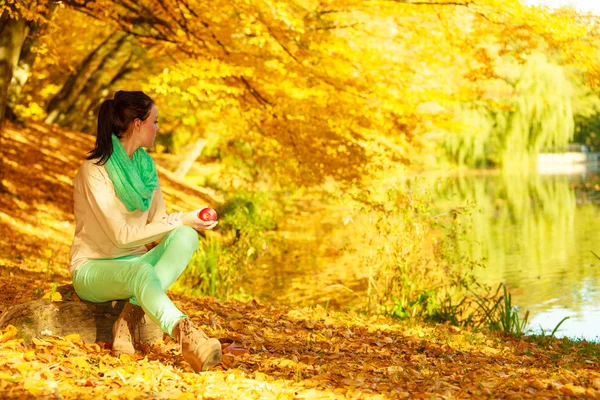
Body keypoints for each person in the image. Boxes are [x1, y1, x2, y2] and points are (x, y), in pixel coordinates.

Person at [68, 90, 222, 372]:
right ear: (137, 124)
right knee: (144, 270)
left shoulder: (147, 170)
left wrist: (189, 223)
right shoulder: (94, 171)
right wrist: (180, 219)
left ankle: (126, 320)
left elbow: (160, 225)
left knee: (185, 235)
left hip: (136, 263)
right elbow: (121, 236)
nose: (158, 127)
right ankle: (188, 337)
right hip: (93, 268)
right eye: (155, 121)